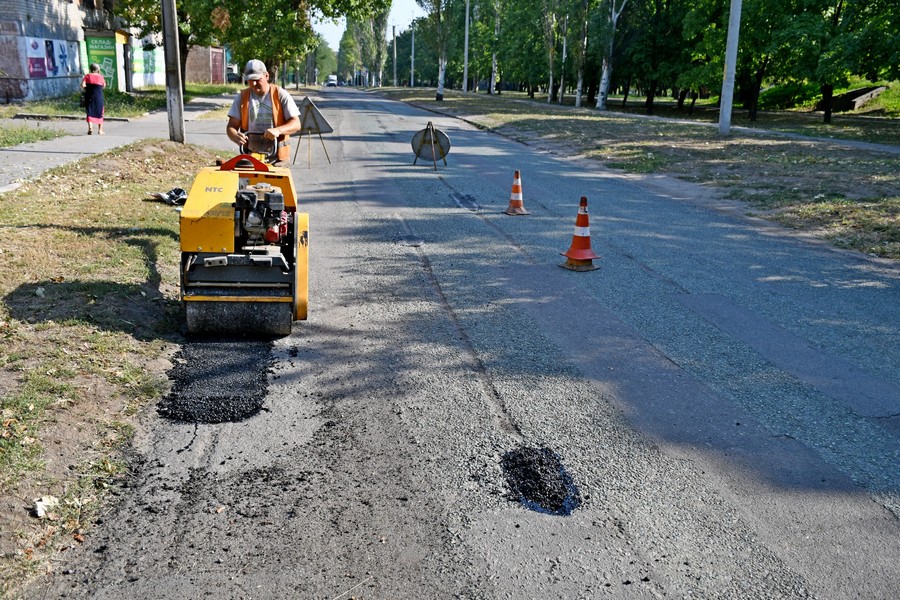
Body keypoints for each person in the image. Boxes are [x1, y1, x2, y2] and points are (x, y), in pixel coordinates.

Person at [226, 59, 301, 166]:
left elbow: (296, 124)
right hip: (251, 158)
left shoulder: (280, 95)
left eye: (257, 79)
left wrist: (278, 130)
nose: (253, 84)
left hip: (278, 159)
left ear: (266, 76)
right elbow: (231, 127)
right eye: (250, 80)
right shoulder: (242, 97)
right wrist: (235, 136)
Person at [81, 63, 105, 135]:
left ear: (90, 69)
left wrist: (87, 88)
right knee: (100, 112)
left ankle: (90, 128)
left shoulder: (87, 76)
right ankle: (100, 130)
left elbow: (82, 85)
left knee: (89, 111)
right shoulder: (101, 77)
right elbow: (104, 86)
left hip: (89, 96)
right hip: (98, 96)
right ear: (98, 69)